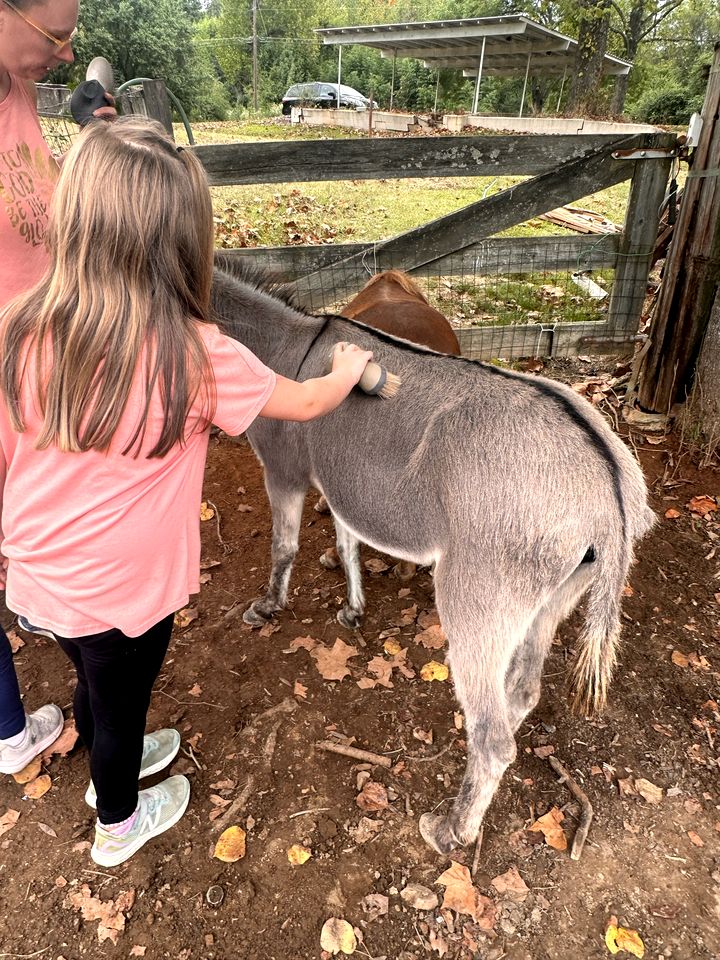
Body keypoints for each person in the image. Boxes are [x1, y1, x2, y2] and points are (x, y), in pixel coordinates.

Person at [0, 116, 373, 866]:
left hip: (42, 583)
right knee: (120, 705)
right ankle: (117, 822)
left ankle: (115, 747)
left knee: (94, 679)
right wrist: (344, 370)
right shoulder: (197, 352)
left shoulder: (20, 328)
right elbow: (301, 404)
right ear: (184, 243)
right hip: (129, 598)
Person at [0, 0, 114, 775]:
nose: (69, 54)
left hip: (37, 375)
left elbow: (31, 221)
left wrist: (79, 144)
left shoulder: (11, 92)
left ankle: (78, 715)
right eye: (57, 35)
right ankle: (12, 726)